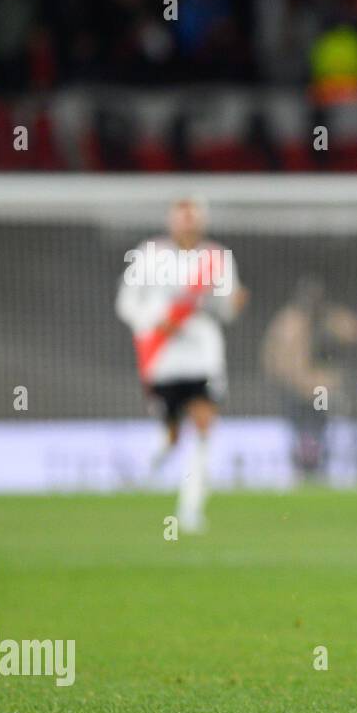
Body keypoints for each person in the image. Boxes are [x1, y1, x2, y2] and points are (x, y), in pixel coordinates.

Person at [116, 198, 247, 533]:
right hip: (164, 359)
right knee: (172, 434)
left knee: (204, 425)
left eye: (193, 220)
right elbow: (126, 303)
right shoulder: (148, 255)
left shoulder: (217, 258)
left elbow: (225, 310)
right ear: (172, 223)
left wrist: (233, 302)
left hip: (203, 356)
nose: (188, 226)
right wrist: (155, 322)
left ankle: (190, 507)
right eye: (182, 220)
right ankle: (148, 467)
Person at [261, 276, 357, 481]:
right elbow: (275, 358)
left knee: (320, 426)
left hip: (319, 389)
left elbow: (355, 331)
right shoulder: (289, 322)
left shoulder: (328, 318)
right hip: (295, 389)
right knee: (300, 428)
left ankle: (318, 463)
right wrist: (286, 380)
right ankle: (303, 465)